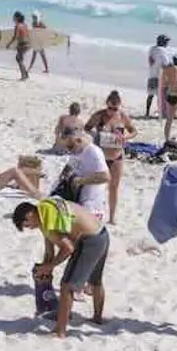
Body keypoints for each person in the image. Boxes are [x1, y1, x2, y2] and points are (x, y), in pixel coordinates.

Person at [14, 198, 109, 340]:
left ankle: (60, 331)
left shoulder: (47, 221)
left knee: (66, 286)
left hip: (89, 240)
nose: (30, 228)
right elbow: (49, 251)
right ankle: (97, 318)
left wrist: (49, 266)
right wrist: (45, 267)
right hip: (102, 233)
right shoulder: (45, 211)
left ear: (29, 215)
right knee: (95, 280)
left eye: (27, 225)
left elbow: (68, 248)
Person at [84, 92, 137, 224]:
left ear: (119, 106)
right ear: (106, 104)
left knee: (114, 187)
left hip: (117, 156)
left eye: (115, 109)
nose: (112, 111)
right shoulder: (99, 115)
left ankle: (112, 218)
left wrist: (125, 137)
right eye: (110, 108)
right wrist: (97, 136)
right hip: (101, 157)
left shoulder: (122, 116)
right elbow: (87, 128)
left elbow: (134, 131)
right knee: (96, 186)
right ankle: (94, 214)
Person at [62, 130, 111, 221]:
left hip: (92, 205)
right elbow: (69, 168)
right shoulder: (76, 151)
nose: (69, 150)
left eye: (70, 147)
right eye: (67, 147)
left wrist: (80, 180)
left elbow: (105, 176)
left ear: (79, 140)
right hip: (79, 201)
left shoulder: (93, 152)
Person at [145, 34, 170, 117]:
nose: (167, 43)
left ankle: (147, 112)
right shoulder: (163, 50)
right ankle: (162, 112)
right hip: (160, 76)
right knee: (162, 95)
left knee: (150, 95)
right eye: (166, 42)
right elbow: (165, 64)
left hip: (151, 74)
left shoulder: (152, 49)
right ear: (163, 42)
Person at [10, 12, 33, 80]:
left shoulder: (17, 26)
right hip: (28, 44)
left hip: (22, 44)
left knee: (19, 59)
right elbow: (26, 34)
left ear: (17, 18)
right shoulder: (25, 25)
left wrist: (9, 44)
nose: (13, 18)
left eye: (14, 17)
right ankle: (26, 75)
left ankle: (23, 76)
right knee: (20, 59)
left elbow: (15, 37)